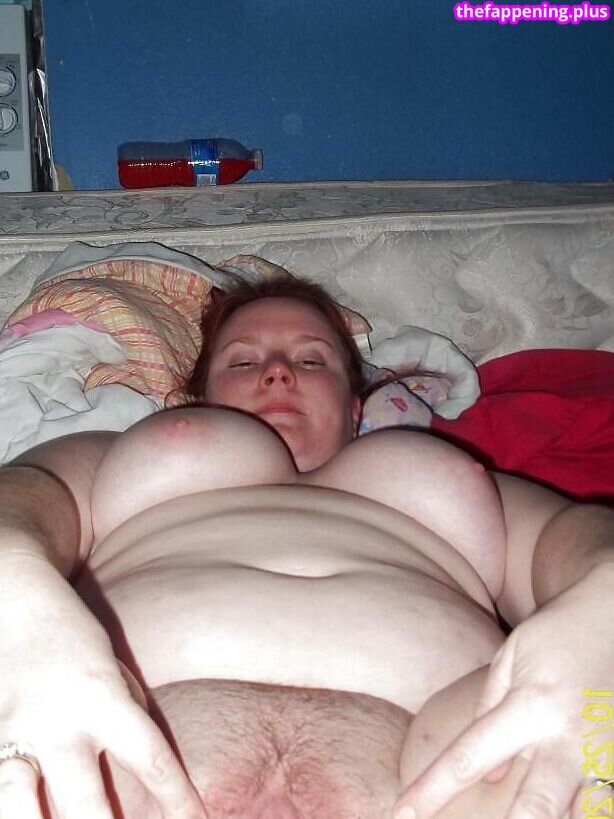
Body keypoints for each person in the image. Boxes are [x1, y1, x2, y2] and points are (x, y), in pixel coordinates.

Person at [0, 274, 612, 819]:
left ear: (354, 405)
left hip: (471, 762)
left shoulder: (448, 475)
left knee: (600, 732)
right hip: (103, 736)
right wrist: (15, 581)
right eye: (243, 361)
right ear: (196, 399)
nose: (278, 372)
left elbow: (565, 538)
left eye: (311, 360)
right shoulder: (118, 451)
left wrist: (602, 605)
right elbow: (27, 496)